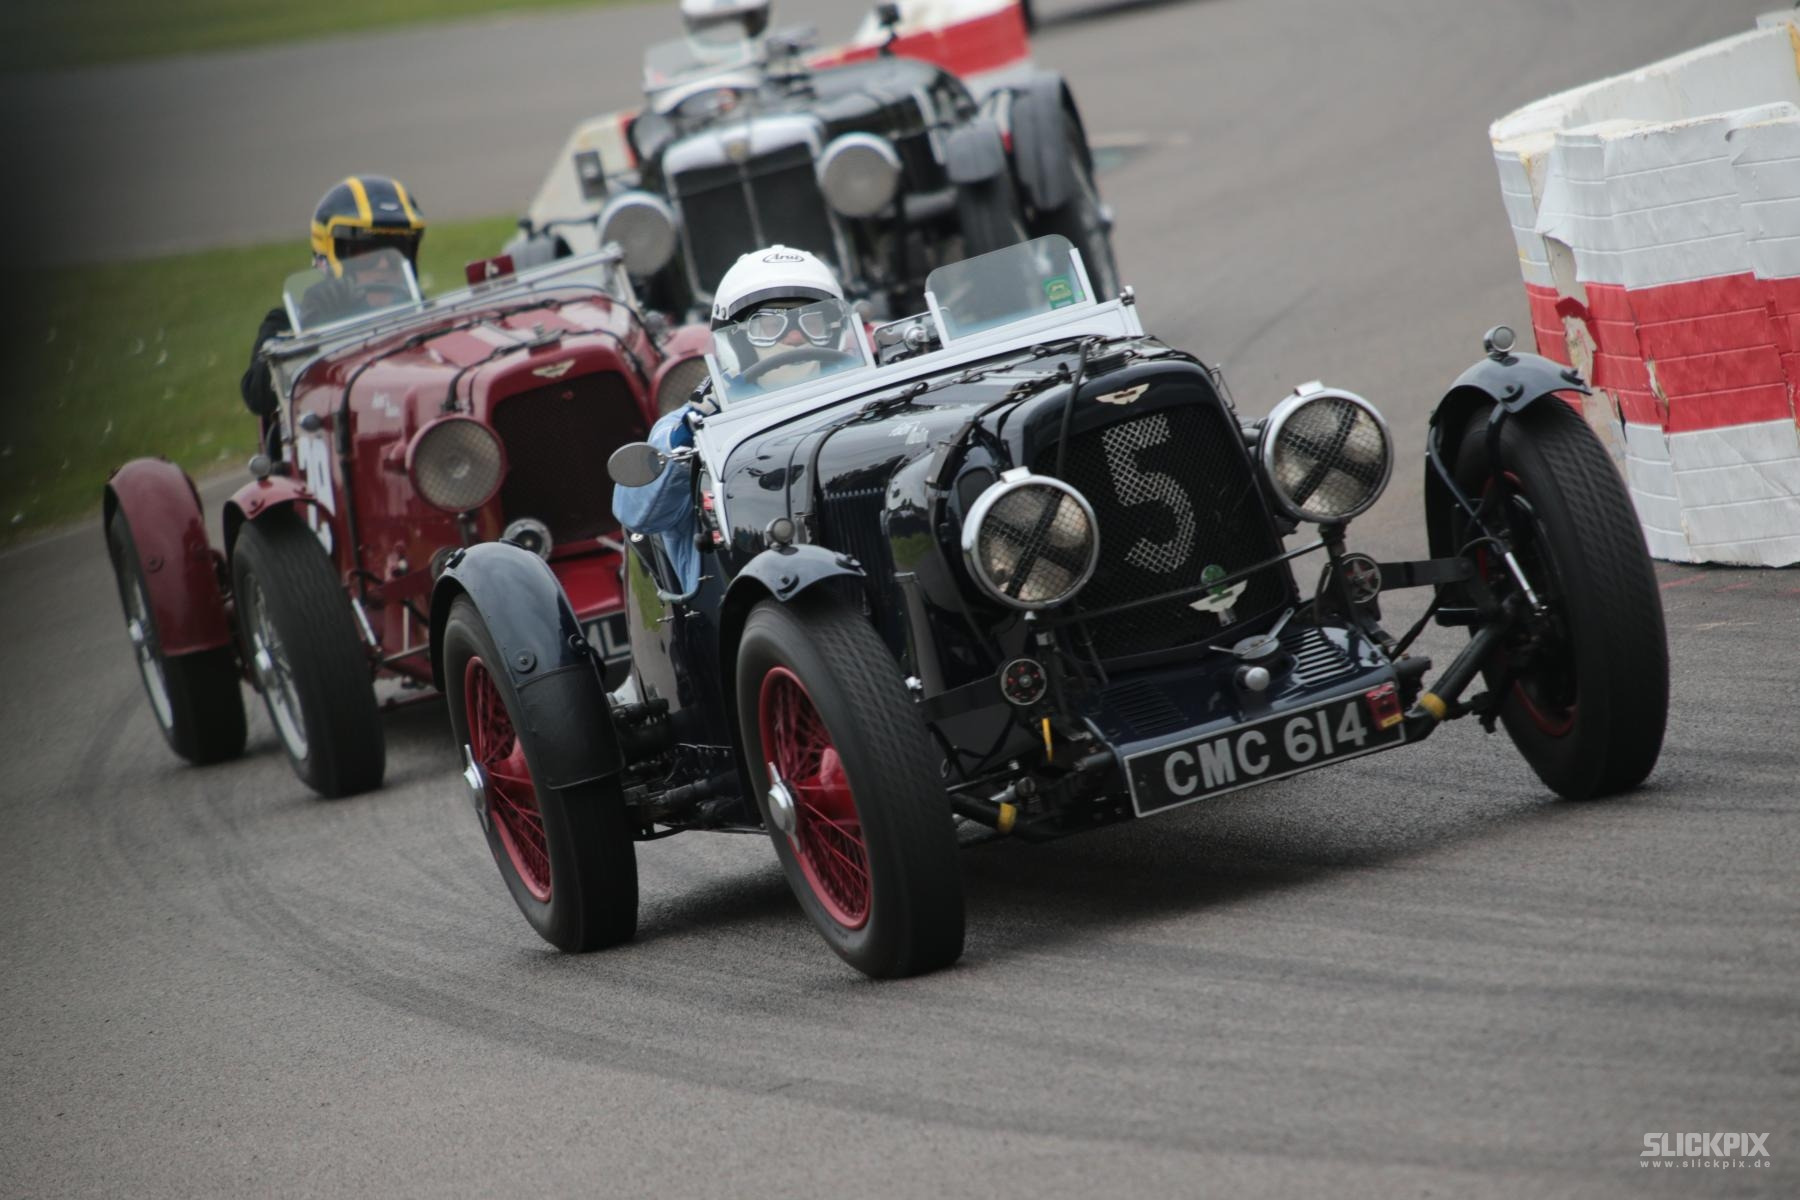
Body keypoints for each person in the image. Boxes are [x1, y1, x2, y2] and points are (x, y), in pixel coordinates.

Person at [613, 245, 855, 595]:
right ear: (739, 339)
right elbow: (635, 512)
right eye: (769, 325)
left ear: (833, 329)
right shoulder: (694, 420)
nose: (794, 337)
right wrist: (687, 435)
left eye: (812, 321)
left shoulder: (864, 393)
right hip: (743, 600)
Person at [239, 175, 428, 450]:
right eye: (367, 252)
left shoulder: (426, 316)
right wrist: (314, 327)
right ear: (328, 254)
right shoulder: (288, 322)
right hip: (328, 449)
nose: (383, 266)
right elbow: (256, 395)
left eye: (397, 252)